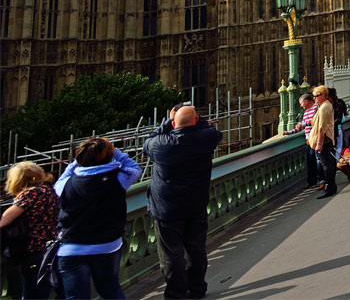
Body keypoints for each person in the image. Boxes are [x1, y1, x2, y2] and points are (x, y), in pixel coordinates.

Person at [144, 104, 223, 299]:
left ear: (173, 123)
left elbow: (149, 139)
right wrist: (195, 115)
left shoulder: (160, 144)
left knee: (171, 255)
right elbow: (210, 129)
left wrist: (167, 122)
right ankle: (197, 290)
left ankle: (176, 295)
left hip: (166, 208)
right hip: (196, 204)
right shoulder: (206, 138)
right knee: (196, 249)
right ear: (196, 121)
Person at [53, 137, 142, 300]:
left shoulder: (66, 184)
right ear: (110, 156)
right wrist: (117, 152)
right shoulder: (118, 179)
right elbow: (134, 168)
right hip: (106, 245)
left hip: (72, 248)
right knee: (111, 291)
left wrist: (77, 162)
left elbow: (60, 182)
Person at [2, 162, 58, 300]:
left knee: (30, 293)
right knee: (41, 292)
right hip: (50, 248)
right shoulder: (49, 190)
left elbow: (3, 221)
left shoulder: (30, 194)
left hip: (33, 250)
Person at [307, 87, 336, 199]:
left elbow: (321, 127)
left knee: (326, 165)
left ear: (323, 96)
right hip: (325, 139)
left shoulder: (324, 107)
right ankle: (331, 186)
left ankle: (329, 187)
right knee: (329, 164)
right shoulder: (324, 106)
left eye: (316, 96)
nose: (314, 98)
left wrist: (319, 142)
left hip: (324, 140)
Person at [293, 93, 318, 188]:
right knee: (310, 160)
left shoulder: (316, 108)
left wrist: (302, 124)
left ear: (306, 101)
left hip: (314, 137)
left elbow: (315, 122)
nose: (300, 105)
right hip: (308, 139)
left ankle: (319, 180)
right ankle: (312, 181)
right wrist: (289, 132)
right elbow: (302, 126)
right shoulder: (306, 112)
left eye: (301, 103)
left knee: (316, 160)